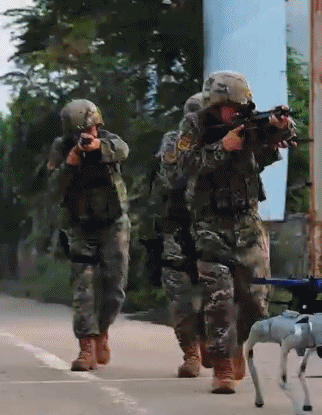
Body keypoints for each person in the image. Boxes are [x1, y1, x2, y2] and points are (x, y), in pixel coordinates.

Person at [177, 70, 296, 393]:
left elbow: (281, 135)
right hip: (210, 223)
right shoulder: (195, 125)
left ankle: (238, 343)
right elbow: (184, 163)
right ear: (215, 105)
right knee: (219, 299)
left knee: (256, 300)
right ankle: (223, 366)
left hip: (247, 220)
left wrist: (279, 127)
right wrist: (222, 147)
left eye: (239, 106)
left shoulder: (250, 122)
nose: (234, 112)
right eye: (229, 106)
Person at [46, 99, 130, 371]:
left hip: (113, 223)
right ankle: (87, 347)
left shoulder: (109, 141)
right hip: (80, 225)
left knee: (115, 286)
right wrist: (69, 165)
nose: (87, 135)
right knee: (84, 287)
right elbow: (52, 189)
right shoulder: (62, 149)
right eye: (81, 131)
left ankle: (102, 330)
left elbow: (123, 150)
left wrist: (99, 147)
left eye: (92, 128)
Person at [149, 92, 215, 378]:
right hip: (178, 227)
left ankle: (209, 341)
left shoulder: (225, 141)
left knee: (217, 290)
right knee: (180, 295)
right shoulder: (174, 141)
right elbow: (169, 178)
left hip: (214, 227)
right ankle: (190, 352)